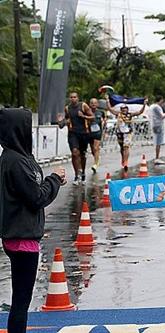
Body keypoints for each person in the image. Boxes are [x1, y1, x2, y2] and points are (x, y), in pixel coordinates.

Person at [0, 108, 66, 333]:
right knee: (21, 301)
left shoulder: (21, 157)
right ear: (18, 130)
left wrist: (53, 181)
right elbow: (36, 196)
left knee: (21, 299)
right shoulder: (14, 161)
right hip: (21, 237)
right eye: (27, 127)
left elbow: (36, 189)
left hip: (23, 234)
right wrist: (54, 179)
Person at [57, 92, 94, 185]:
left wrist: (84, 116)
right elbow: (65, 121)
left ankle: (83, 173)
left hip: (83, 133)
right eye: (71, 97)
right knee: (74, 153)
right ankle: (77, 174)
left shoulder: (83, 106)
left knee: (82, 155)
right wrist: (61, 121)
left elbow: (92, 117)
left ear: (78, 98)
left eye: (75, 97)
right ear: (69, 98)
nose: (73, 99)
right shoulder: (67, 108)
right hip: (73, 134)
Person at [107, 97, 148, 171]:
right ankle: (123, 158)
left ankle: (126, 162)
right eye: (122, 109)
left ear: (127, 109)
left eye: (125, 108)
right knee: (122, 147)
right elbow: (110, 109)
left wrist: (144, 105)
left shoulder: (130, 115)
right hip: (119, 132)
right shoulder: (118, 114)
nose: (124, 110)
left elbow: (140, 112)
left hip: (128, 132)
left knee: (126, 147)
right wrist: (107, 100)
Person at [88, 98, 107, 173]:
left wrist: (105, 123)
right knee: (93, 149)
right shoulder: (87, 111)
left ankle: (95, 164)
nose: (93, 104)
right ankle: (97, 159)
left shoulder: (101, 112)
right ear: (89, 104)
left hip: (98, 132)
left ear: (97, 104)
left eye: (95, 103)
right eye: (92, 103)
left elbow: (105, 120)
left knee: (96, 148)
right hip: (89, 133)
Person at [149, 96, 165, 165]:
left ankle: (157, 157)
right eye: (162, 101)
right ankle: (157, 158)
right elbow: (162, 116)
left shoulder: (152, 106)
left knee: (157, 142)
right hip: (158, 125)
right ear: (160, 100)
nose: (162, 103)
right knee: (158, 142)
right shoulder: (156, 107)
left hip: (154, 125)